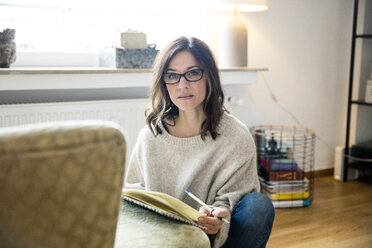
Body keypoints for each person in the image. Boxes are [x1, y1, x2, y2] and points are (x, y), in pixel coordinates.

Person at [124, 36, 275, 248]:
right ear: (163, 82)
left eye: (193, 73)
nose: (182, 85)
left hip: (215, 238)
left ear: (209, 77)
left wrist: (218, 217)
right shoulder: (151, 136)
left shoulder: (236, 136)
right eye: (172, 76)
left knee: (259, 206)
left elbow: (233, 200)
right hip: (163, 238)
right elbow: (133, 193)